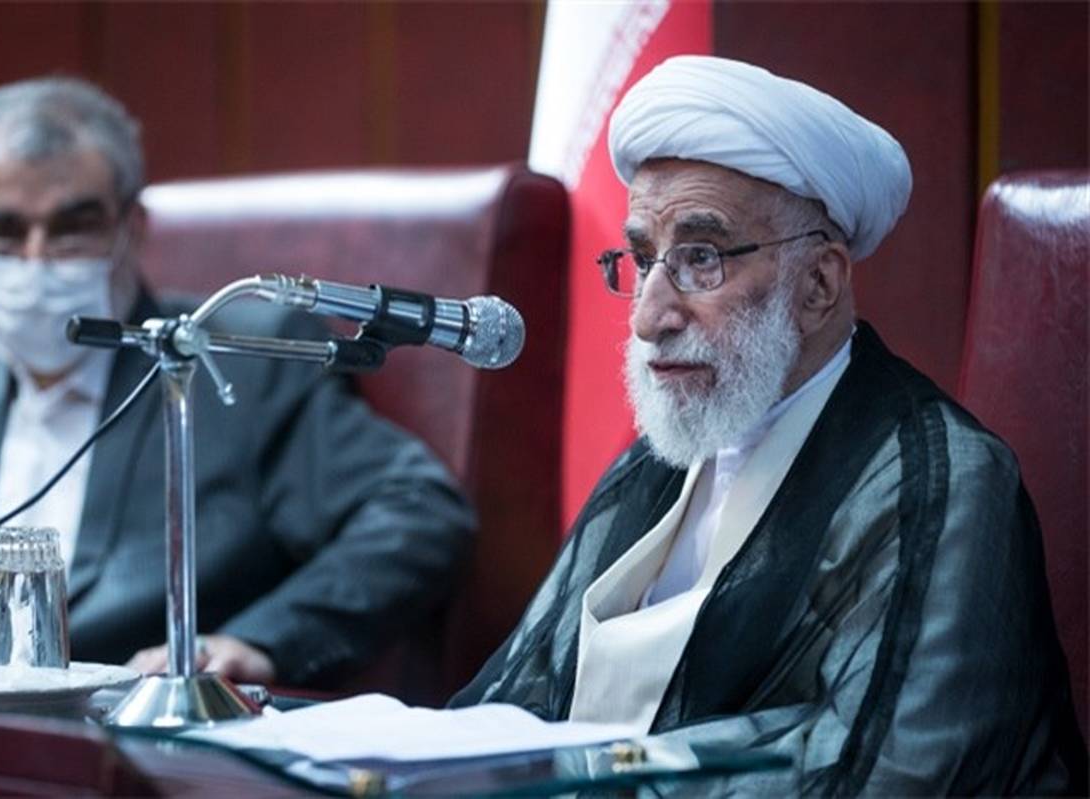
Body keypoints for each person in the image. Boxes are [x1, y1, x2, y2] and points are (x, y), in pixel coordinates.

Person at [451, 56, 1086, 793]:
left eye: (702, 258)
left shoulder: (941, 485)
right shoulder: (654, 465)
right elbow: (510, 699)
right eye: (644, 259)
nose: (651, 317)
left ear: (819, 283)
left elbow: (876, 775)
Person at [0, 77, 474, 687]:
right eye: (4, 231)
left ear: (133, 226)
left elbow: (418, 511)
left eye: (72, 227)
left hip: (150, 732)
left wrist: (260, 641)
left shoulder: (243, 359)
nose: (37, 260)